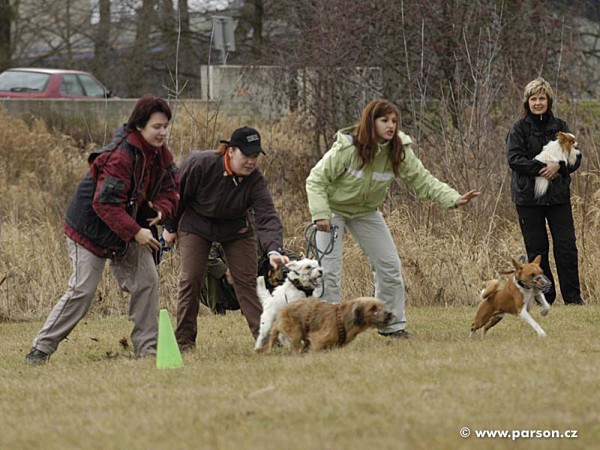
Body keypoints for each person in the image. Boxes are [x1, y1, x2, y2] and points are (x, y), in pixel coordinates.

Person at [25, 95, 180, 365]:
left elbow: (171, 188)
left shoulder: (160, 155)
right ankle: (40, 350)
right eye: (157, 126)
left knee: (147, 280)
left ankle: (147, 351)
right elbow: (104, 204)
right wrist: (136, 232)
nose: (163, 132)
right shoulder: (120, 156)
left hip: (127, 229)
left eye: (165, 126)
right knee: (82, 290)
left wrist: (161, 211)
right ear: (139, 126)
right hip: (90, 230)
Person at [306, 99, 480, 339]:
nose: (391, 126)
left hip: (366, 211)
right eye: (384, 120)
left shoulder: (398, 150)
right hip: (333, 211)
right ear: (371, 122)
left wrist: (453, 198)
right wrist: (320, 215)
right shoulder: (347, 148)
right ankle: (324, 330)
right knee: (329, 272)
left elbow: (423, 180)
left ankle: (392, 326)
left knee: (389, 267)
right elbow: (316, 180)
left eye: (394, 121)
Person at [163, 126, 289, 351]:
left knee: (247, 282)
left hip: (236, 229)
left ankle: (266, 339)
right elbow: (178, 195)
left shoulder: (255, 181)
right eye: (246, 155)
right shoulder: (200, 164)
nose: (251, 161)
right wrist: (171, 227)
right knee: (191, 279)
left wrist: (274, 250)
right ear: (231, 151)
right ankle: (184, 342)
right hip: (197, 224)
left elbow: (267, 215)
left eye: (255, 156)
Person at [506, 77, 583, 305]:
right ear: (527, 102)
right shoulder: (518, 129)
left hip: (558, 198)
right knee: (537, 251)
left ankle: (573, 299)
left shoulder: (561, 126)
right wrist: (542, 169)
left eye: (542, 98)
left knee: (566, 247)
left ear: (548, 100)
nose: (538, 102)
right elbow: (514, 159)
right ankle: (545, 298)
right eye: (533, 98)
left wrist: (559, 166)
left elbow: (576, 158)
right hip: (528, 199)